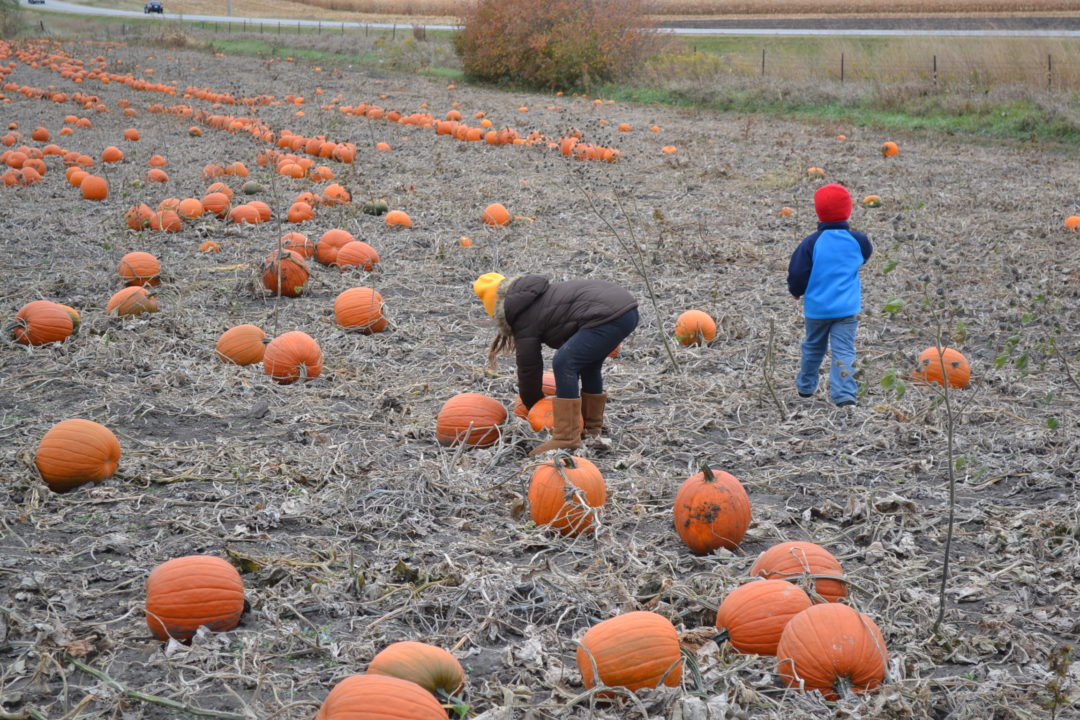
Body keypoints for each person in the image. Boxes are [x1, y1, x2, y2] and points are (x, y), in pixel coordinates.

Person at [472, 273, 638, 455]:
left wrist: (534, 405)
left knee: (564, 362)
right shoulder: (537, 298)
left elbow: (529, 369)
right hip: (626, 311)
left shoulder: (524, 317)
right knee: (589, 365)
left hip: (609, 314)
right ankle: (591, 429)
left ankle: (567, 437)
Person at [786, 183, 873, 407]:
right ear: (849, 210)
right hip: (846, 309)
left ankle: (805, 388)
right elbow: (864, 257)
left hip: (817, 309)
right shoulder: (859, 241)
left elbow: (797, 271)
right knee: (844, 350)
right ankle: (844, 396)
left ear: (818, 211)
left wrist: (796, 291)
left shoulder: (811, 243)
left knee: (813, 347)